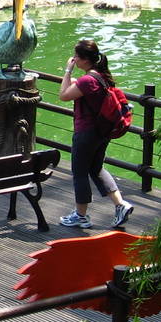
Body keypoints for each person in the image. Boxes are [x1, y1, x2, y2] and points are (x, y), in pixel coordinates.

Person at [58, 39, 134, 229]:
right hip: (102, 131)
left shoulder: (87, 80)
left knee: (79, 173)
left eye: (76, 56)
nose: (74, 59)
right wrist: (76, 82)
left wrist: (68, 71)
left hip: (86, 132)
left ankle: (81, 216)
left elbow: (64, 95)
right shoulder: (101, 77)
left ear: (84, 60)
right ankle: (120, 204)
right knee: (96, 168)